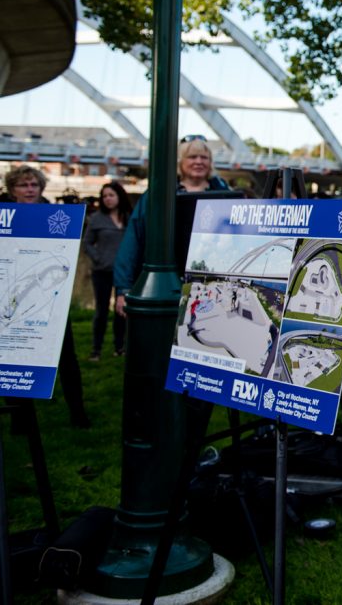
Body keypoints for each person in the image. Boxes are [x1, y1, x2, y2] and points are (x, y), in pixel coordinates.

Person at [3, 165, 89, 428]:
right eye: (23, 185)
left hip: (52, 299)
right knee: (14, 354)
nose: (29, 190)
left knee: (66, 356)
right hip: (12, 295)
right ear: (12, 189)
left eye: (34, 185)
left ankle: (78, 412)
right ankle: (19, 417)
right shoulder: (4, 216)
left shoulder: (57, 216)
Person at [114, 136, 230, 316]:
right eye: (192, 157)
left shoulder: (224, 194)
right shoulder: (159, 193)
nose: (198, 161)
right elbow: (134, 238)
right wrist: (123, 287)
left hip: (212, 284)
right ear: (180, 161)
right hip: (168, 284)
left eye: (204, 157)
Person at [83, 182, 132, 360]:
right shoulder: (96, 218)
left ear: (120, 196)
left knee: (122, 311)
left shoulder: (129, 217)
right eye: (104, 196)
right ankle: (96, 350)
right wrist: (98, 258)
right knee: (101, 311)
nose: (108, 199)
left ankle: (119, 347)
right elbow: (87, 243)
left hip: (124, 273)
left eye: (111, 195)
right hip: (102, 271)